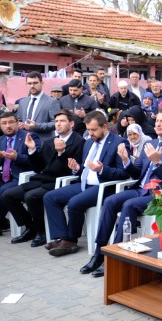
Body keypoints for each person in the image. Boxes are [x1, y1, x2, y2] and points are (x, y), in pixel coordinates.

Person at [79, 107, 162, 277]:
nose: (158, 124)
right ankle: (99, 253)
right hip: (139, 189)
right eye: (157, 120)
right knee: (110, 201)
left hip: (159, 195)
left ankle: (114, 257)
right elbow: (137, 172)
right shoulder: (150, 143)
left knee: (129, 205)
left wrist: (158, 163)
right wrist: (126, 161)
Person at [43, 110, 130, 257]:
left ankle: (70, 240)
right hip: (84, 184)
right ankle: (62, 236)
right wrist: (77, 168)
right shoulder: (89, 142)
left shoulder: (119, 142)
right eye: (88, 130)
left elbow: (124, 173)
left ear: (104, 127)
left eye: (94, 130)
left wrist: (102, 169)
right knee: (50, 197)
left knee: (74, 203)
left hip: (104, 186)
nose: (91, 133)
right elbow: (85, 167)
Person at [0, 110, 85, 246]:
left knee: (31, 197)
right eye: (56, 121)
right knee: (8, 195)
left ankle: (42, 232)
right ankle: (31, 227)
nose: (58, 124)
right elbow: (38, 167)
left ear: (72, 123)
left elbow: (71, 169)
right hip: (42, 179)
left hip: (61, 182)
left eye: (62, 121)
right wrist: (32, 150)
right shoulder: (50, 141)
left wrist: (62, 152)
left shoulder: (80, 142)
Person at [0, 112, 42, 241]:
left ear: (17, 123)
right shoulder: (0, 140)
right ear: (0, 126)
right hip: (4, 177)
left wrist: (17, 157)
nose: (8, 126)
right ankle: (1, 222)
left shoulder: (30, 136)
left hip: (21, 177)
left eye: (11, 122)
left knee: (3, 191)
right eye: (4, 123)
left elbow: (37, 161)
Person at [16, 71, 61, 143]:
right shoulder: (22, 102)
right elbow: (19, 120)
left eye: (35, 83)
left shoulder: (52, 102)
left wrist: (36, 126)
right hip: (24, 142)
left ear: (42, 83)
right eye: (29, 83)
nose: (32, 86)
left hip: (43, 143)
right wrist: (19, 124)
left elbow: (56, 123)